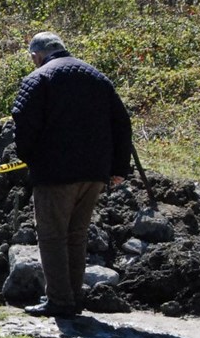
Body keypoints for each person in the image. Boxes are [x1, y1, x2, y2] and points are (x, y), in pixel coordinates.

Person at [11, 32, 132, 318]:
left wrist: (30, 158)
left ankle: (59, 301)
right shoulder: (98, 77)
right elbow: (122, 122)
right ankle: (74, 298)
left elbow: (24, 123)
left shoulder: (38, 79)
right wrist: (118, 168)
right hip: (94, 173)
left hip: (56, 173)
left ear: (36, 56)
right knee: (76, 236)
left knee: (52, 236)